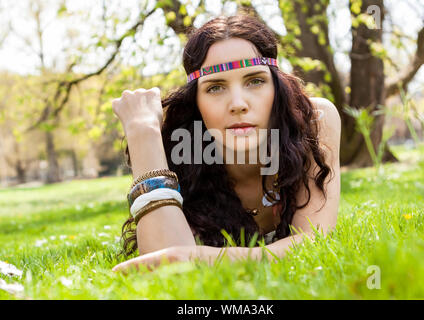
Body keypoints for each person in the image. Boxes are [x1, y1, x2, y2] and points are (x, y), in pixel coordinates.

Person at [111, 14, 341, 273]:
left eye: (255, 81)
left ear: (277, 87)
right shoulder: (171, 143)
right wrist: (142, 132)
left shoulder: (314, 120)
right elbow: (166, 272)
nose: (238, 104)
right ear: (195, 101)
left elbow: (314, 242)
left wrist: (196, 257)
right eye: (215, 87)